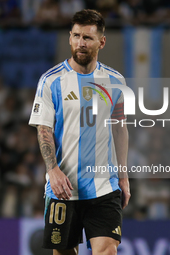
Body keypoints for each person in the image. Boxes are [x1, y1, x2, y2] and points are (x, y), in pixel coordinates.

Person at [29, 9, 130, 255]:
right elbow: (44, 129)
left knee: (106, 250)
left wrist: (124, 177)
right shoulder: (51, 81)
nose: (80, 43)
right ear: (69, 38)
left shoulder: (115, 81)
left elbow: (120, 129)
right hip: (63, 188)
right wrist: (52, 170)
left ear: (101, 42)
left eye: (87, 38)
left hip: (104, 186)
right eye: (76, 36)